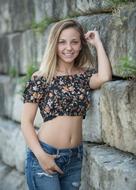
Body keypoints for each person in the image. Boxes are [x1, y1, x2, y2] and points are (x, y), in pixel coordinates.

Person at [21, 18, 112, 190]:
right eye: (62, 42)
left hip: (74, 157)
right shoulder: (41, 78)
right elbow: (26, 123)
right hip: (45, 153)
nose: (68, 48)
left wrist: (98, 43)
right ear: (54, 45)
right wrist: (41, 156)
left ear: (81, 45)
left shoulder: (83, 76)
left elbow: (104, 77)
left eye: (74, 42)